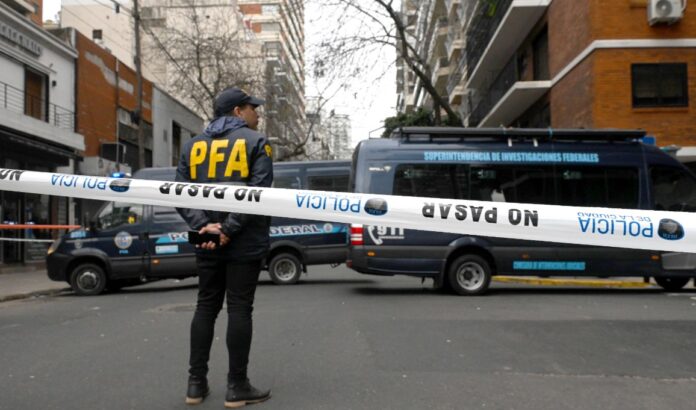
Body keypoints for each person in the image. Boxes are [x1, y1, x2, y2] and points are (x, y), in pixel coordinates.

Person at [175, 87, 273, 407]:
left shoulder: (192, 146)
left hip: (205, 237)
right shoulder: (257, 142)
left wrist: (204, 225)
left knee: (205, 306)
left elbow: (179, 193)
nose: (257, 113)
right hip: (244, 239)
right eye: (252, 108)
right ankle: (237, 386)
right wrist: (229, 229)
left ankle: (195, 385)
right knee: (240, 309)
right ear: (237, 112)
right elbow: (259, 193)